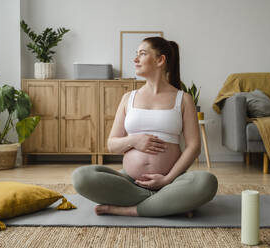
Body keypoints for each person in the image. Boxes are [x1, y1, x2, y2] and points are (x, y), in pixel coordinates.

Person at [72, 37, 218, 217]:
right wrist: (134, 140)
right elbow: (112, 144)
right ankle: (167, 203)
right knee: (82, 176)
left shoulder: (183, 99)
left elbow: (194, 147)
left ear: (160, 60)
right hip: (130, 181)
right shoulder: (128, 98)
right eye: (136, 54)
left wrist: (167, 179)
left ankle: (131, 209)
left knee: (206, 182)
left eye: (142, 54)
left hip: (172, 181)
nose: (135, 60)